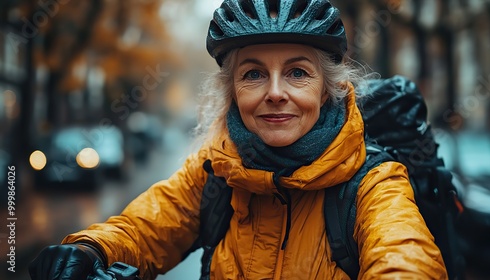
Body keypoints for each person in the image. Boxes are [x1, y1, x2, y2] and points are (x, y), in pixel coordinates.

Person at [29, 0, 448, 279]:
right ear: (233, 91)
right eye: (253, 74)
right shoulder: (216, 170)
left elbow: (404, 257)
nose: (275, 92)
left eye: (298, 72)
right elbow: (144, 228)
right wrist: (89, 250)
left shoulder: (375, 182)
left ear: (327, 89)